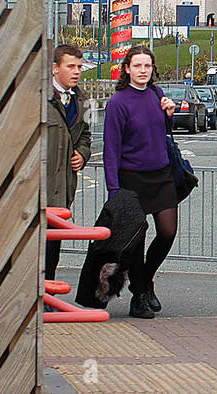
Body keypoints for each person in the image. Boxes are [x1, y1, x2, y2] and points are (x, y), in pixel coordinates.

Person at [102, 45, 178, 319]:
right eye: (137, 66)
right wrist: (114, 191)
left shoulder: (157, 94)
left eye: (147, 66)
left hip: (161, 175)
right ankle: (139, 297)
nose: (143, 71)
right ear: (127, 69)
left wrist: (169, 116)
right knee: (136, 241)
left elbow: (161, 133)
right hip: (131, 178)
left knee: (168, 231)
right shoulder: (118, 102)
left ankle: (145, 280)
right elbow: (111, 149)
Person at [45, 43, 91, 282]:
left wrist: (82, 154)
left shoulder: (81, 100)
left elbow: (85, 134)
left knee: (53, 248)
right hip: (39, 186)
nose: (76, 72)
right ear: (55, 68)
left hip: (63, 188)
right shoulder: (40, 99)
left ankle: (47, 295)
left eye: (79, 67)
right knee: (33, 247)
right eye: (70, 66)